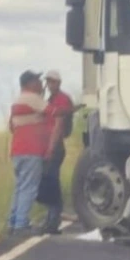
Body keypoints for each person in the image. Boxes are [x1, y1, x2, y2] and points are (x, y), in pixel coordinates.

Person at [8, 70, 50, 233]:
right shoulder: (33, 99)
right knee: (29, 188)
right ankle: (21, 223)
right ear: (29, 84)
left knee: (20, 186)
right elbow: (53, 112)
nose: (41, 84)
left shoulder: (17, 101)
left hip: (18, 150)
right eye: (37, 81)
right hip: (31, 150)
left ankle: (13, 221)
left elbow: (11, 126)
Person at [38, 71, 75, 235]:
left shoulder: (62, 99)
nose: (49, 85)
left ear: (58, 82)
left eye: (52, 82)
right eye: (48, 82)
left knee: (51, 182)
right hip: (49, 144)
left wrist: (51, 148)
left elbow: (60, 125)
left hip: (55, 145)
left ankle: (53, 221)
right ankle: (51, 219)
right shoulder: (51, 100)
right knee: (49, 182)